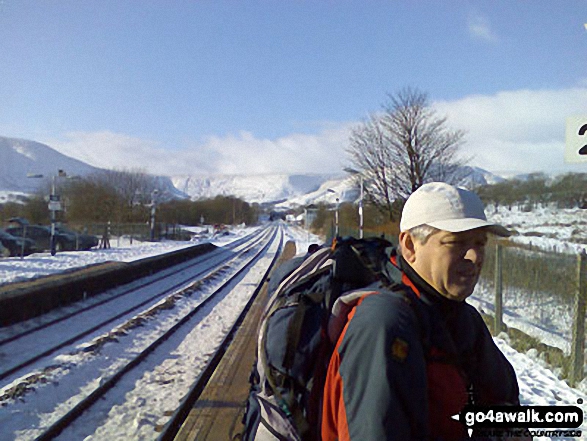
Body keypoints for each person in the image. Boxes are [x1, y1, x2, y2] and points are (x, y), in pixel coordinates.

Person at [321, 182, 525, 440]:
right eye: (456, 242)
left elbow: (504, 400)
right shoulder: (383, 325)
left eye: (480, 243)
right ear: (410, 246)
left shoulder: (460, 316)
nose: (474, 256)